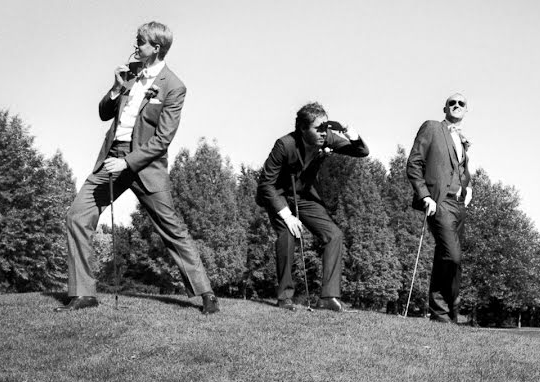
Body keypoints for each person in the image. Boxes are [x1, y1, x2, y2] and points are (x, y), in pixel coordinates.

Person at [56, 22, 219, 314]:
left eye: (140, 42)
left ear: (156, 48)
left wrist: (128, 162)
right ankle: (84, 294)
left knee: (171, 228)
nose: (135, 47)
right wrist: (116, 89)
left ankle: (206, 294)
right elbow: (104, 113)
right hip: (112, 158)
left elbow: (162, 140)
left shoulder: (174, 86)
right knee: (77, 216)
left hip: (145, 165)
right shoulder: (130, 76)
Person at [256, 102, 369, 311]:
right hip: (278, 196)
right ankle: (284, 297)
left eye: (326, 128)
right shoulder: (284, 144)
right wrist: (287, 216)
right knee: (287, 236)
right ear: (302, 128)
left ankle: (328, 297)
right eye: (318, 128)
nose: (323, 133)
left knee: (334, 235)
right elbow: (266, 184)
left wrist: (349, 132)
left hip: (305, 197)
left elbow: (361, 151)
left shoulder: (329, 137)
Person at [406, 93, 473, 324]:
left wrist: (469, 186)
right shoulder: (432, 128)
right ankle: (443, 311)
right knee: (452, 256)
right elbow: (414, 163)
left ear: (466, 109)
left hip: (459, 204)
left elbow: (461, 170)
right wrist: (425, 195)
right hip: (439, 201)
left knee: (450, 258)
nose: (456, 106)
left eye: (461, 104)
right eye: (452, 103)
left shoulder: (462, 139)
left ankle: (444, 315)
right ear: (445, 108)